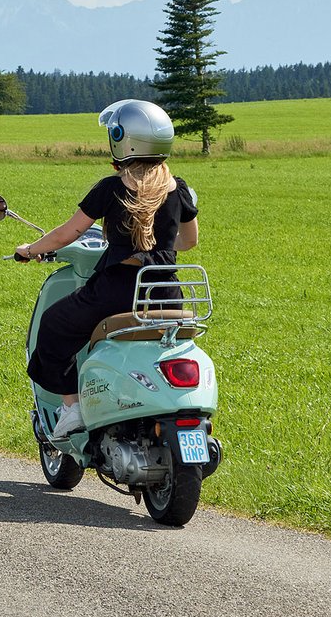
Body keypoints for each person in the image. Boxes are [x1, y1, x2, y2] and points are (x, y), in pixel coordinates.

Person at [19, 99, 199, 441]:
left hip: (116, 291)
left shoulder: (111, 188)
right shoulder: (179, 188)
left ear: (122, 139)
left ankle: (72, 408)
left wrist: (29, 249)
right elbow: (188, 241)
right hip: (164, 291)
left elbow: (66, 233)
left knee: (55, 326)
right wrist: (155, 247)